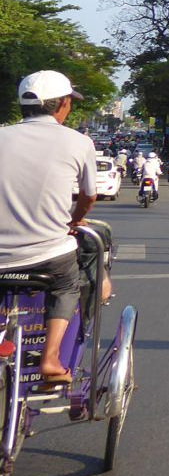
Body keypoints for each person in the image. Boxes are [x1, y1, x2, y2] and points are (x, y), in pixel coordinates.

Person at [0, 71, 104, 385]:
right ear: (61, 104)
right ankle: (50, 358)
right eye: (69, 102)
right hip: (50, 255)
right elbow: (89, 196)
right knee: (67, 286)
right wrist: (74, 220)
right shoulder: (79, 141)